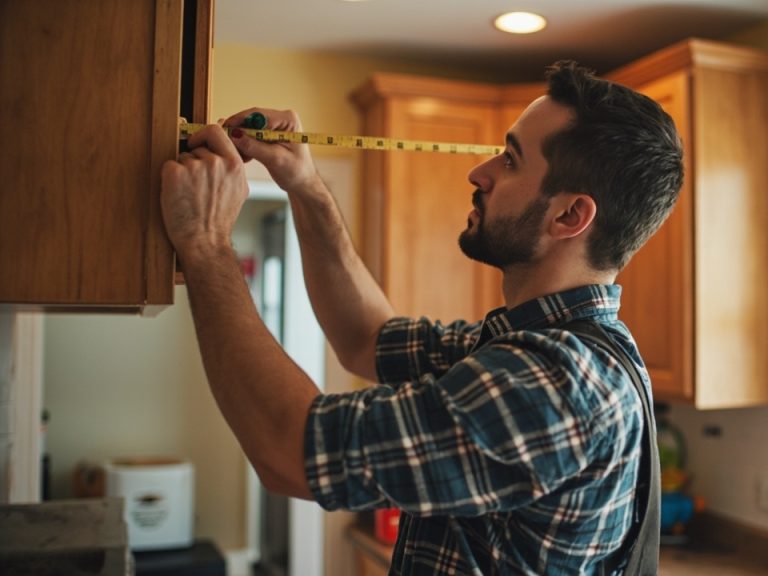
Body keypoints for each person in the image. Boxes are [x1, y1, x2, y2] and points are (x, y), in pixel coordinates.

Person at [161, 60, 682, 575]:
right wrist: (305, 185)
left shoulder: (556, 381)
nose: (478, 173)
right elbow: (366, 338)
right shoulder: (529, 346)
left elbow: (290, 451)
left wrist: (206, 243)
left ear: (570, 215)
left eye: (510, 160)